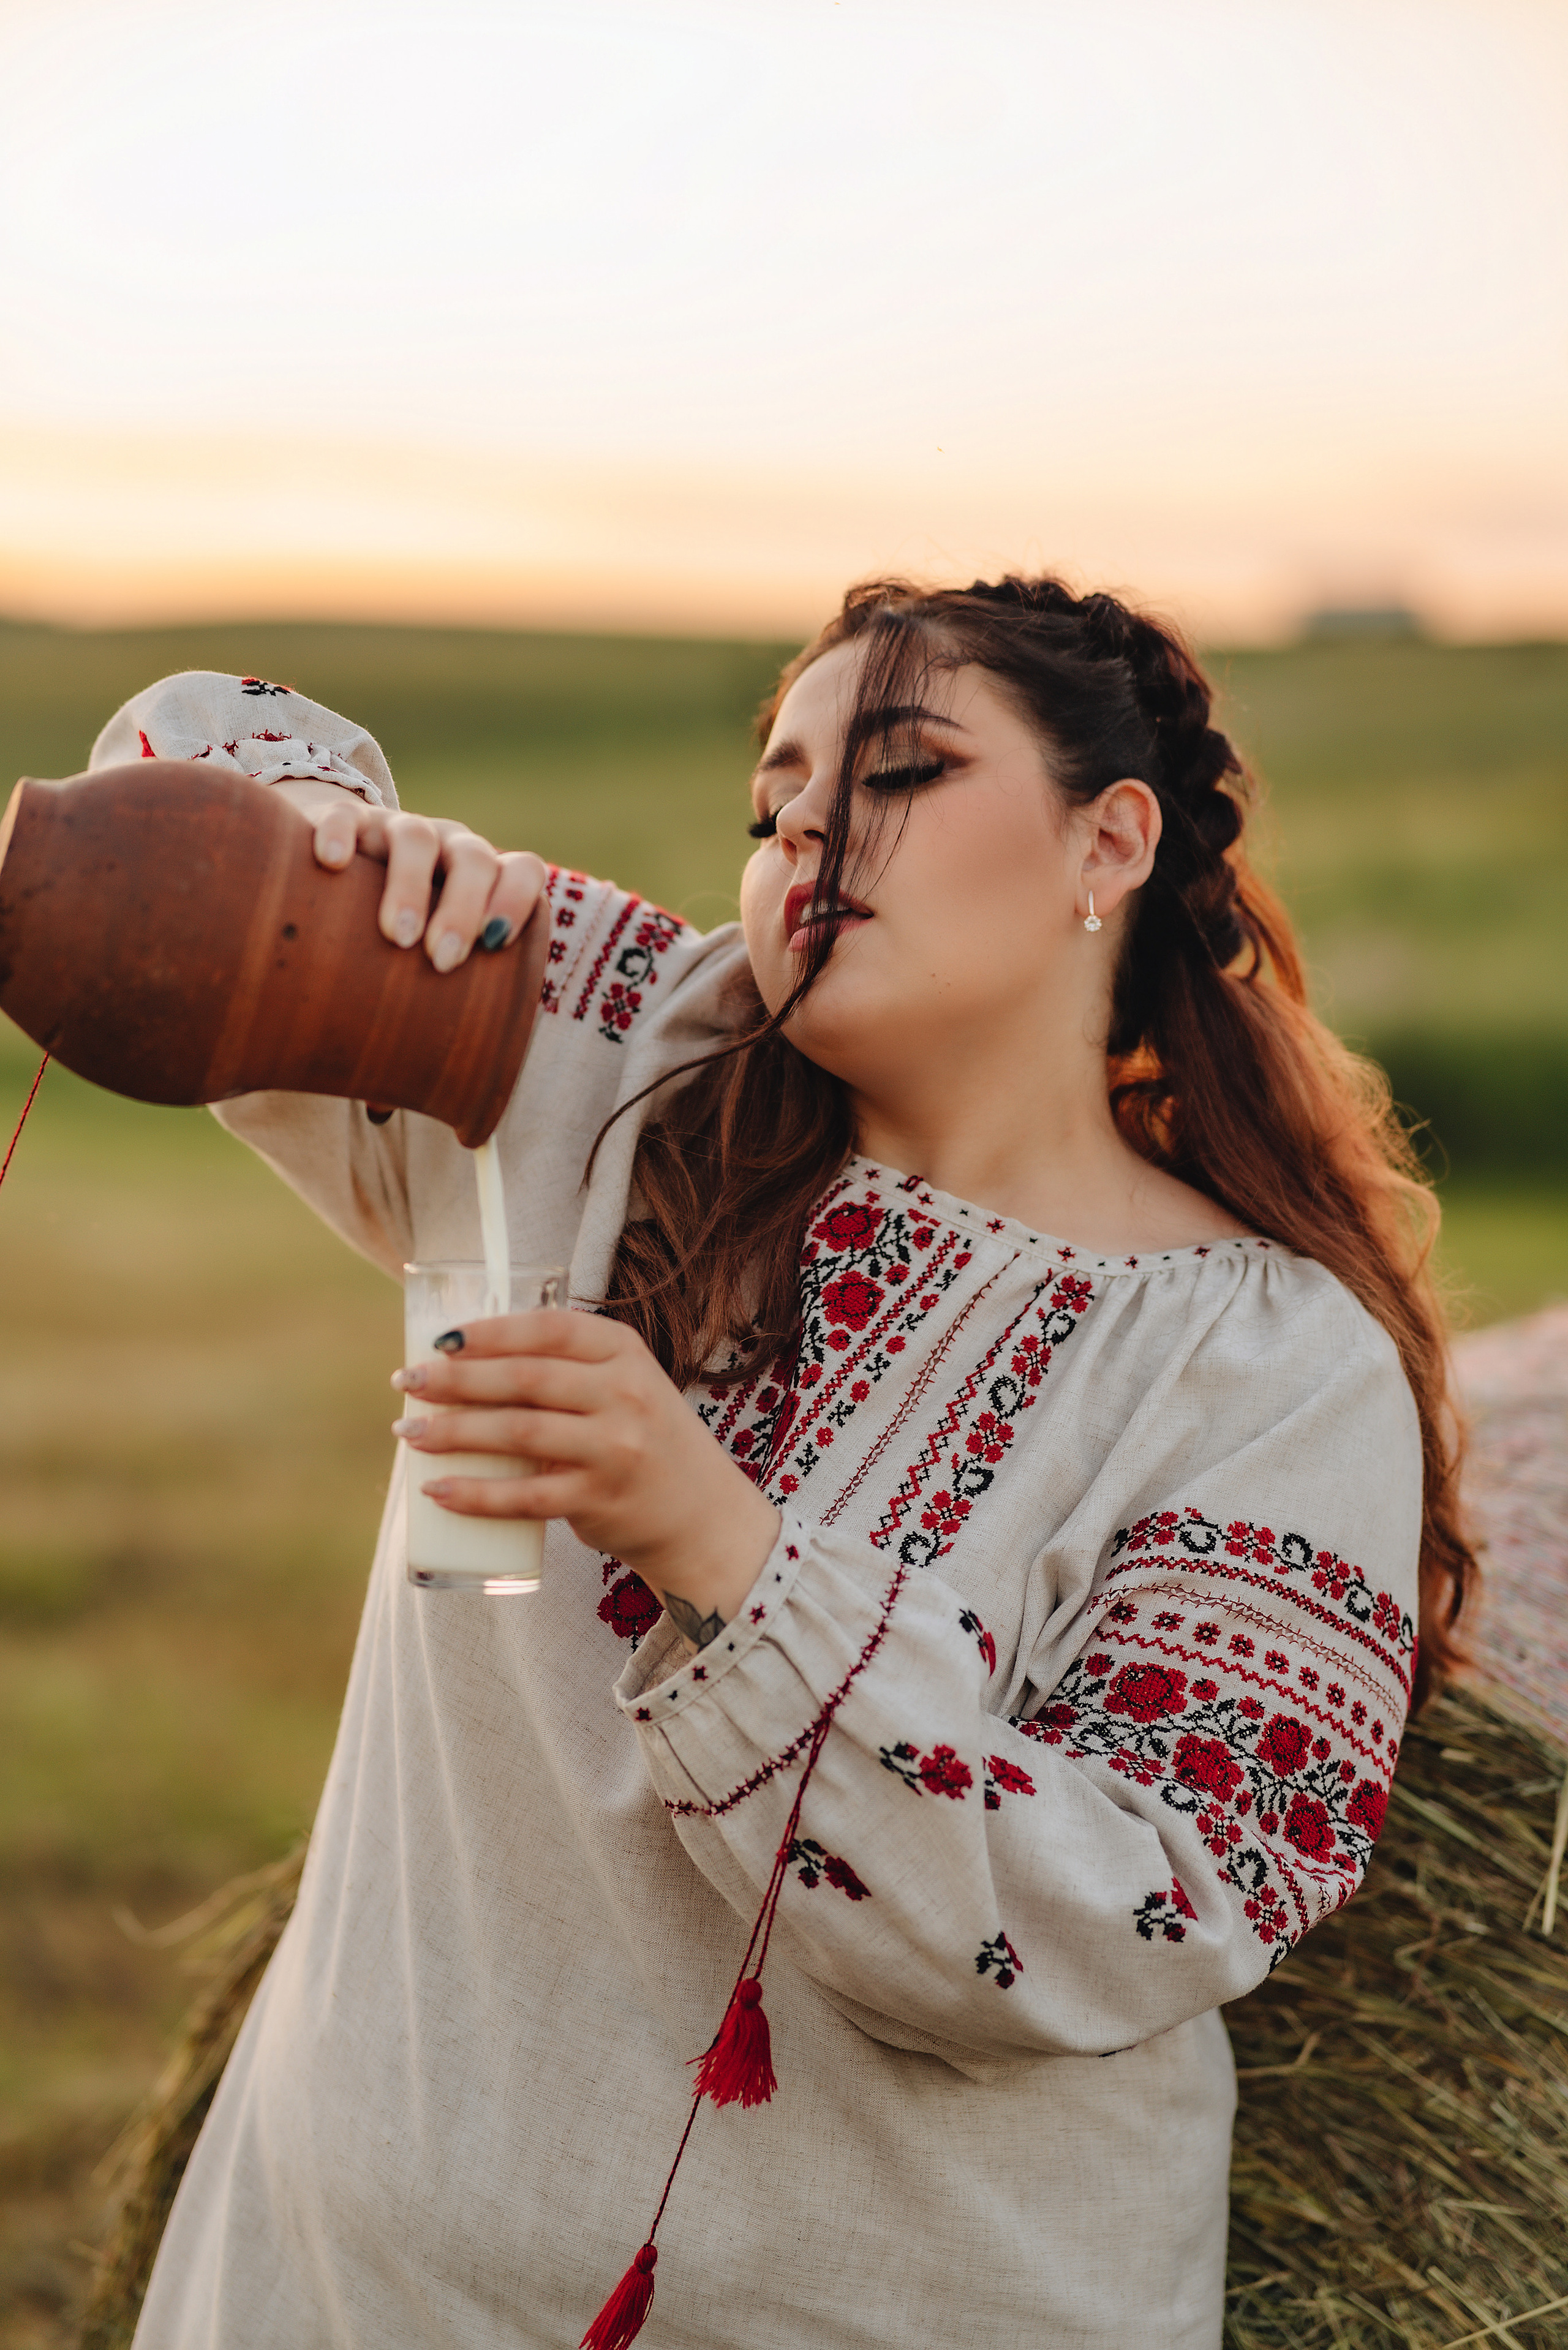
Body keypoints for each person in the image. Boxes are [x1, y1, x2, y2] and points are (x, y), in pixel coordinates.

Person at [102, 578, 1472, 2350]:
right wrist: (318, 841)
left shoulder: (1273, 1365)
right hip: (351, 2281)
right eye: (774, 804)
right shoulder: (607, 1065)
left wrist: (723, 1551)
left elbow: (1139, 1913)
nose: (811, 827)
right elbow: (141, 857)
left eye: (899, 771)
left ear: (1109, 843)